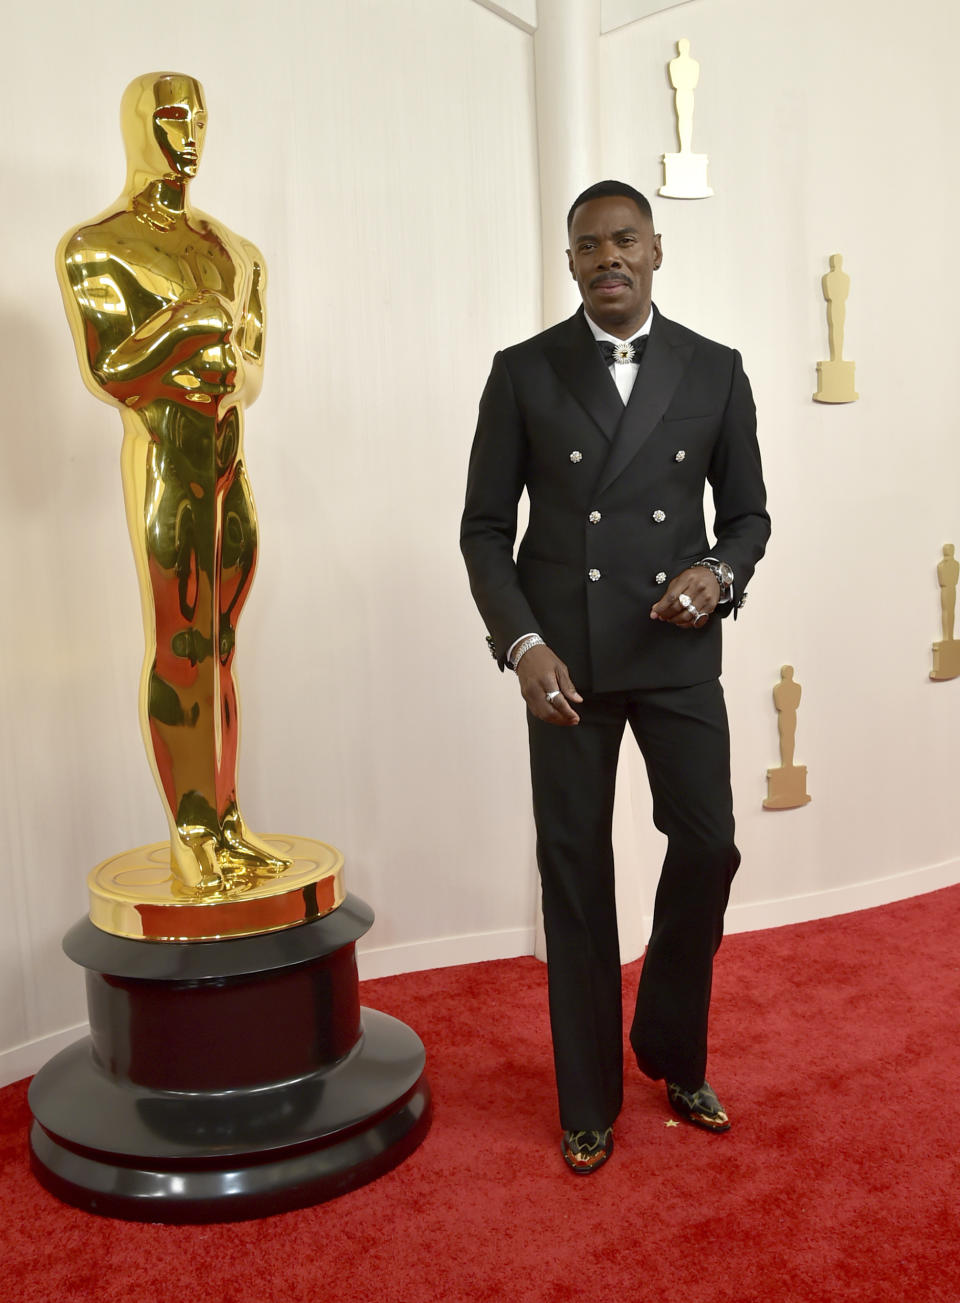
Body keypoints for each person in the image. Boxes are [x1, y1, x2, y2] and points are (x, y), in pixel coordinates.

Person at [461, 180, 770, 1173]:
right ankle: (587, 1099)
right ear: (569, 263)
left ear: (657, 249)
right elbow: (481, 530)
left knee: (711, 844)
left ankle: (671, 1046)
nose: (609, 257)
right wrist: (521, 645)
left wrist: (716, 575)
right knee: (578, 878)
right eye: (588, 244)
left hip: (677, 651)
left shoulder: (716, 370)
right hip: (567, 665)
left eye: (625, 239)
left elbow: (750, 518)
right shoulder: (523, 371)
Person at [57, 72, 290, 894]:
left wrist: (222, 359)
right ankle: (191, 830)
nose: (187, 133)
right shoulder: (98, 246)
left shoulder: (237, 251)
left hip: (228, 459)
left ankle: (226, 822)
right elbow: (108, 371)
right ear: (137, 127)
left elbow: (251, 373)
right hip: (164, 455)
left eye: (198, 118)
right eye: (169, 117)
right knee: (183, 644)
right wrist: (184, 327)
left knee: (222, 643)